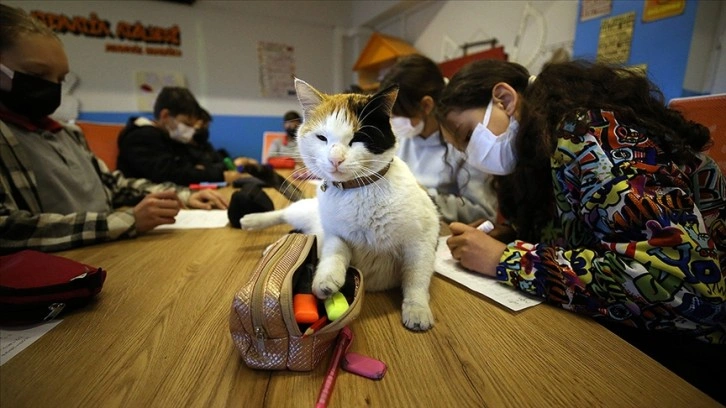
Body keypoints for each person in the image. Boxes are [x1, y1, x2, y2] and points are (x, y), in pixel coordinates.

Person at [437, 59, 725, 402]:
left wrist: (507, 258)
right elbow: (575, 235)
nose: (472, 156)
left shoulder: (589, 136)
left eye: (468, 135)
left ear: (504, 99)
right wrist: (504, 237)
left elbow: (680, 283)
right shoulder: (537, 152)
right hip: (621, 334)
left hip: (686, 356)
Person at [0, 4, 228, 254]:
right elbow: (7, 228)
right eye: (37, 74)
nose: (53, 88)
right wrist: (125, 221)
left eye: (61, 79)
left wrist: (181, 196)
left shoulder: (67, 134)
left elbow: (113, 184)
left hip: (108, 250)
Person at [379, 54, 497, 224]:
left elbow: (482, 213)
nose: (394, 123)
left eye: (398, 115)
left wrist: (420, 197)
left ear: (426, 106)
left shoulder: (464, 138)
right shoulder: (403, 135)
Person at [117, 87, 249, 186]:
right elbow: (170, 174)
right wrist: (220, 175)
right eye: (186, 124)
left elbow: (189, 167)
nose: (190, 131)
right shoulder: (140, 137)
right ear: (165, 116)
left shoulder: (169, 137)